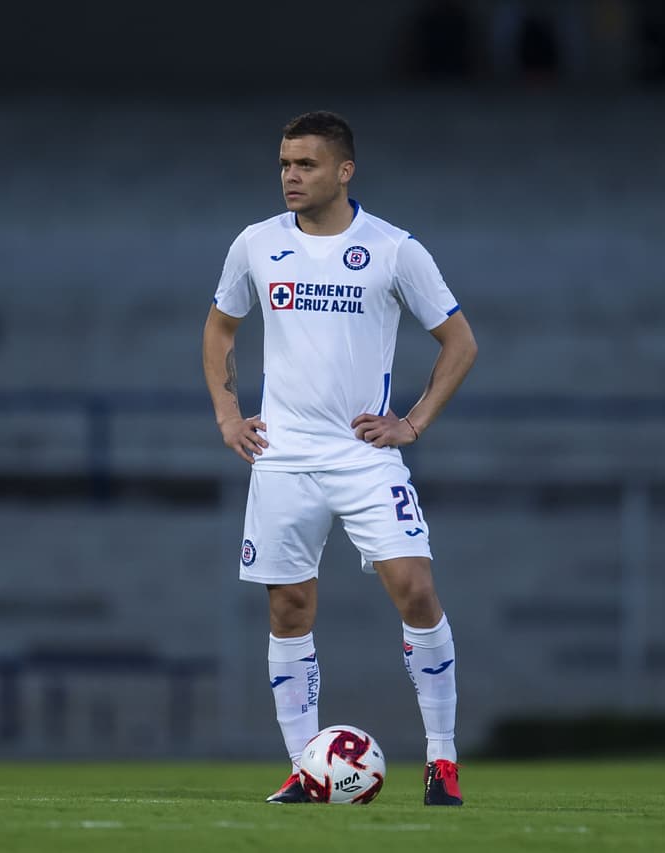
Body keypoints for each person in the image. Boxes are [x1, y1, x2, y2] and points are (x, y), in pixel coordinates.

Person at [202, 112, 477, 806]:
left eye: (306, 164)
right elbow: (220, 326)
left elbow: (460, 343)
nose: (291, 176)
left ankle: (441, 761)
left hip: (363, 455)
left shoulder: (392, 249)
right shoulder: (256, 244)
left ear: (344, 170)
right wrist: (229, 414)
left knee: (415, 587)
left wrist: (412, 422)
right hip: (284, 456)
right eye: (285, 164)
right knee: (290, 607)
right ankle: (305, 767)